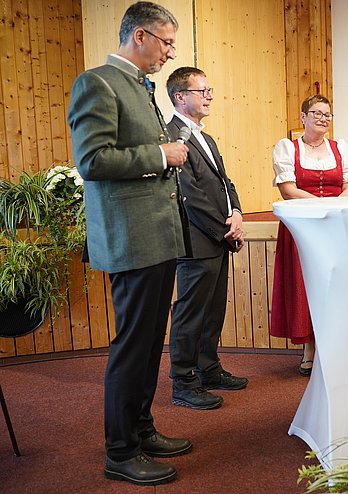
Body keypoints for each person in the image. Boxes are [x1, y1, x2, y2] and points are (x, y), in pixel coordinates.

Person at [67, 1, 191, 486]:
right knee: (132, 346)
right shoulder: (96, 82)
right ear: (139, 36)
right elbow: (93, 160)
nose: (168, 52)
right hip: (131, 237)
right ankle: (120, 451)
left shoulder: (141, 87)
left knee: (148, 344)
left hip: (156, 235)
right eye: (165, 42)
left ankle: (141, 429)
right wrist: (161, 153)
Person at [165, 67, 248, 410]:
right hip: (195, 238)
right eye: (203, 91)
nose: (210, 96)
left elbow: (224, 183)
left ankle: (208, 368)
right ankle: (183, 381)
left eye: (210, 89)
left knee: (212, 310)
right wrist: (223, 228)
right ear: (180, 96)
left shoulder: (205, 137)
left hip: (216, 235)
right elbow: (191, 195)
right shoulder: (170, 136)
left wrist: (238, 214)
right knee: (190, 311)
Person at [270, 94, 348, 376]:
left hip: (335, 226)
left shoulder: (339, 147)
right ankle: (308, 349)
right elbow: (288, 190)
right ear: (303, 117)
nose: (322, 118)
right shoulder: (287, 148)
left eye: (327, 114)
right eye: (316, 113)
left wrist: (333, 210)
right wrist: (320, 206)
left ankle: (336, 348)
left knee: (336, 286)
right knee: (304, 286)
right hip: (302, 228)